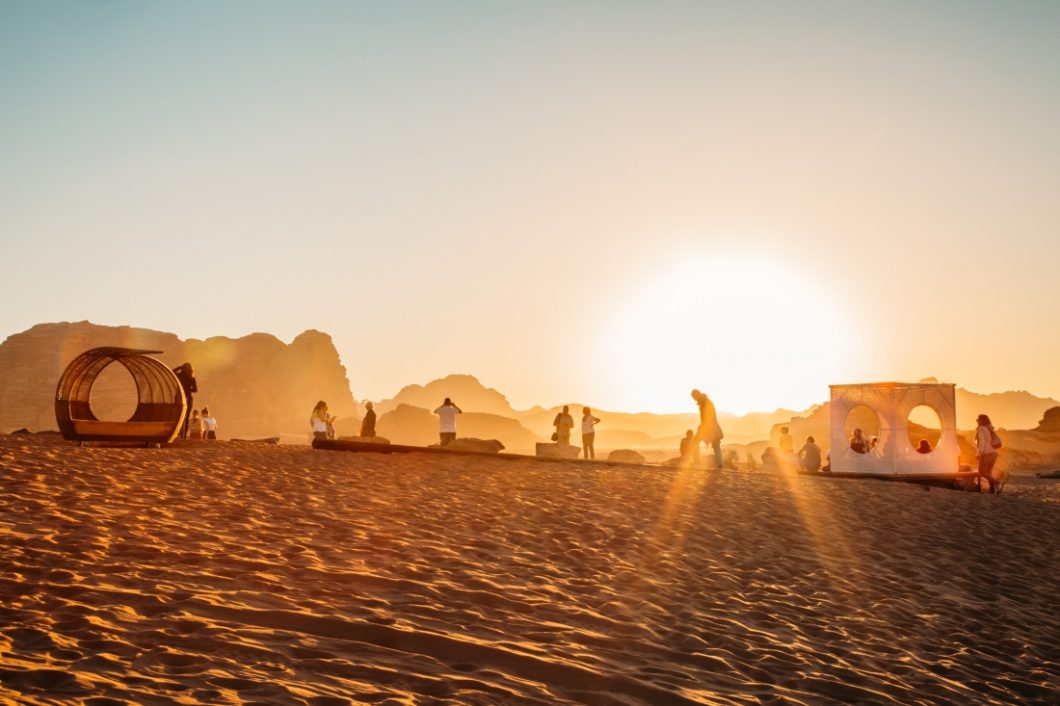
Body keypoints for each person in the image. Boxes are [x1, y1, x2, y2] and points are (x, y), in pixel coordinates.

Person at [691, 389, 724, 469]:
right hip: (711, 425)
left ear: (697, 395)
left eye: (694, 397)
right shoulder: (705, 401)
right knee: (716, 444)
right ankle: (720, 464)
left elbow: (706, 417)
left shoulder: (704, 402)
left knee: (696, 441)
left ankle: (696, 461)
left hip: (707, 426)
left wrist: (702, 426)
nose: (694, 399)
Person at [975, 413, 1001, 494]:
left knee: (981, 472)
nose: (977, 421)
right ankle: (992, 490)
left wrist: (979, 453)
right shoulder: (989, 429)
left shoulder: (981, 429)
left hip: (986, 453)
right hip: (994, 453)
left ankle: (996, 482)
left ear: (981, 421)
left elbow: (982, 442)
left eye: (978, 420)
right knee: (989, 472)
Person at [172, 362, 198, 439]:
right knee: (186, 417)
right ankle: (183, 436)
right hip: (188, 398)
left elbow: (172, 372)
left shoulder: (179, 376)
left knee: (178, 416)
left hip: (179, 398)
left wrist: (179, 367)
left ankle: (176, 434)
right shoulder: (192, 378)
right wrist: (189, 388)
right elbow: (195, 390)